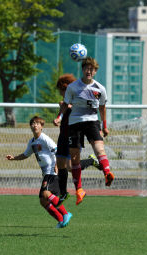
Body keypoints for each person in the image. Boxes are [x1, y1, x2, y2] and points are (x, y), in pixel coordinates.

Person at [54, 57, 115, 205]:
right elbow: (65, 104)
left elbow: (102, 108)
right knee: (73, 158)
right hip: (74, 124)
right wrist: (59, 117)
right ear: (82, 70)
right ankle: (79, 190)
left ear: (95, 71)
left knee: (99, 148)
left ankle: (107, 173)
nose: (89, 71)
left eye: (91, 69)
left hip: (92, 122)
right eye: (86, 68)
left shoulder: (100, 89)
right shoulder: (73, 87)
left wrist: (105, 126)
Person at [6, 116, 72, 228]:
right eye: (33, 123)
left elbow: (57, 150)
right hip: (46, 173)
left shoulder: (44, 138)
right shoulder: (32, 142)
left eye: (37, 123)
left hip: (51, 170)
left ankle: (66, 214)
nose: (35, 125)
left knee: (46, 194)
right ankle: (60, 220)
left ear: (42, 126)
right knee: (43, 201)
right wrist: (14, 158)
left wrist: (57, 164)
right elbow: (25, 154)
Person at [54, 73, 101, 204]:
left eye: (62, 90)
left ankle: (91, 161)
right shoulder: (64, 103)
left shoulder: (78, 101)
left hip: (74, 135)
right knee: (60, 164)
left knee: (69, 166)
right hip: (63, 135)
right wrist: (58, 119)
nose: (61, 93)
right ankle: (63, 193)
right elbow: (62, 113)